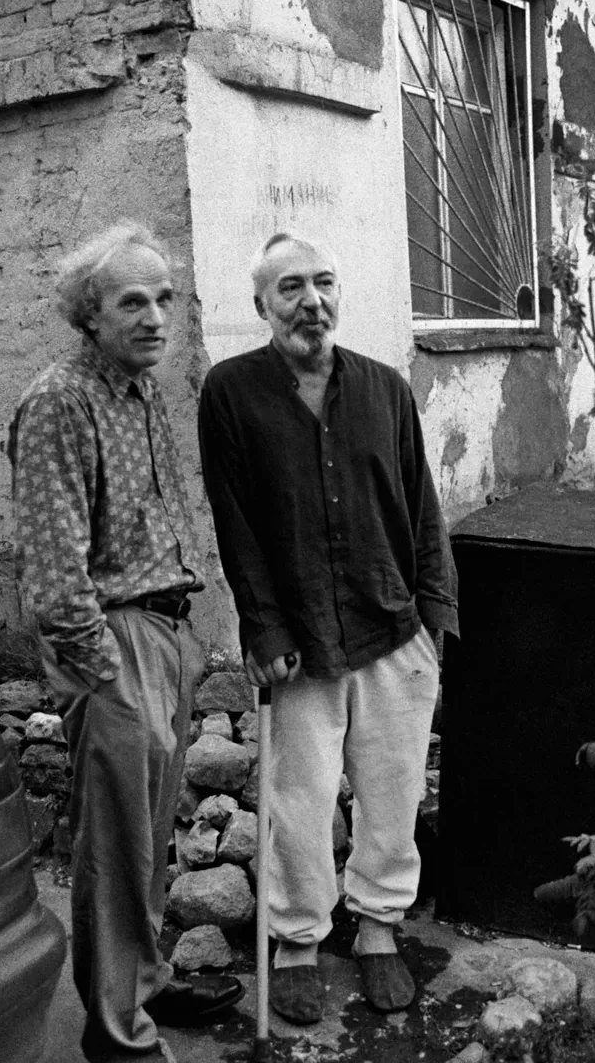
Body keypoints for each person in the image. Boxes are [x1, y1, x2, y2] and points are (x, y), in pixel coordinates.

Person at [198, 232, 458, 1025]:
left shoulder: (385, 389)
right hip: (299, 641)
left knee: (392, 794)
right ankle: (298, 940)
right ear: (261, 305)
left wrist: (436, 616)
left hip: (392, 627)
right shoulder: (230, 393)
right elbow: (235, 522)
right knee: (299, 803)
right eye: (290, 288)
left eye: (323, 283)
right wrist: (263, 627)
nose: (311, 301)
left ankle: (377, 928)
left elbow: (422, 506)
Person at [9, 222, 243, 1063]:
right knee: (114, 850)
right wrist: (105, 671)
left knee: (147, 841)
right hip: (113, 643)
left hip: (164, 635)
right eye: (132, 302)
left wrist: (184, 645)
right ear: (90, 314)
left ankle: (142, 983)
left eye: (164, 300)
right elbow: (53, 567)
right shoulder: (59, 401)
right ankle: (117, 1036)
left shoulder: (139, 391)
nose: (155, 318)